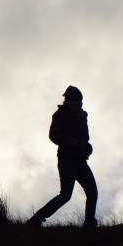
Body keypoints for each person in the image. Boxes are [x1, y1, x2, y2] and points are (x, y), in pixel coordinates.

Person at [26, 85, 98, 229]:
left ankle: (90, 224)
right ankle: (36, 219)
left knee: (92, 192)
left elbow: (85, 138)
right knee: (65, 195)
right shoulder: (60, 114)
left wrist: (87, 148)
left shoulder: (82, 115)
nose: (76, 101)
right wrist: (70, 141)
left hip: (80, 160)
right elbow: (54, 134)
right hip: (67, 159)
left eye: (77, 98)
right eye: (73, 98)